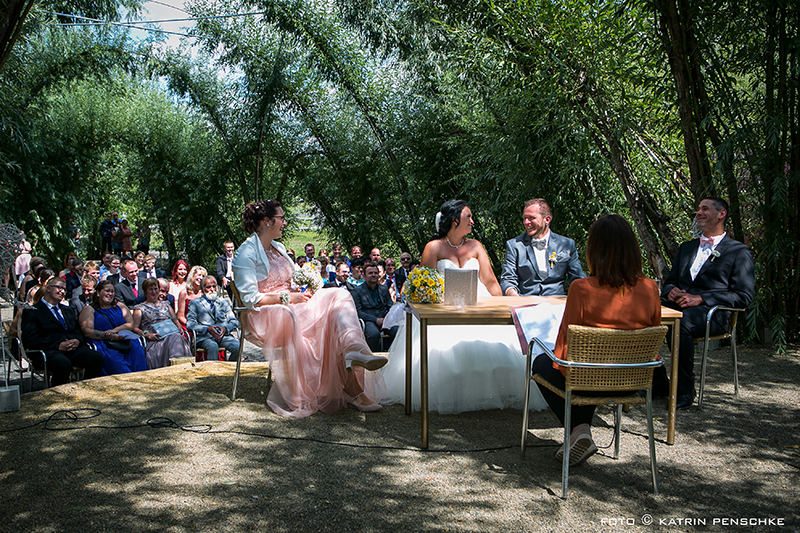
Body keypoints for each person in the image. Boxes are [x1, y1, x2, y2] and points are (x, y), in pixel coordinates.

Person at [380, 200, 549, 414]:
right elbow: (425, 284)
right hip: (444, 309)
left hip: (479, 305)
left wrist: (503, 306)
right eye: (468, 216)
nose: (472, 221)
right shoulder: (434, 247)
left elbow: (489, 281)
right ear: (455, 220)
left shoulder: (476, 246)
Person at [232, 200, 387, 418]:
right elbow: (250, 299)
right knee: (326, 321)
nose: (284, 223)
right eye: (281, 218)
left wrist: (306, 286)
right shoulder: (245, 253)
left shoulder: (278, 248)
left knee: (339, 294)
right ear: (267, 221)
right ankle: (353, 389)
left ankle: (354, 349)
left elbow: (293, 280)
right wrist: (288, 297)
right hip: (268, 313)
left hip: (293, 305)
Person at [533, 214, 661, 466]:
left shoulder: (581, 288)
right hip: (633, 381)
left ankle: (579, 430)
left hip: (587, 381)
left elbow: (565, 350)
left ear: (594, 250)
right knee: (583, 369)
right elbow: (653, 337)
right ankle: (579, 430)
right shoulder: (650, 288)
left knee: (541, 362)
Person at [661, 196, 755, 409]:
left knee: (679, 324)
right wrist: (671, 291)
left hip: (713, 314)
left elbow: (743, 296)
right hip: (678, 307)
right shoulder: (686, 248)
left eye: (705, 208)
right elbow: (670, 282)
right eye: (698, 209)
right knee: (642, 314)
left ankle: (684, 389)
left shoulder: (739, 252)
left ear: (721, 214)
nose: (699, 212)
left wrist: (702, 298)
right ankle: (658, 381)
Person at [21, 277, 104, 386]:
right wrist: (58, 345)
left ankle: (86, 389)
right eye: (59, 288)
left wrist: (77, 341)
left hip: (72, 350)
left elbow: (77, 331)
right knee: (63, 364)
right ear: (48, 289)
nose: (62, 291)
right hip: (49, 351)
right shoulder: (33, 311)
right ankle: (58, 393)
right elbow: (30, 340)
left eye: (64, 289)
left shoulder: (67, 310)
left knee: (96, 358)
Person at [501, 198, 585, 296]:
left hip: (557, 302)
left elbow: (578, 278)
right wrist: (512, 294)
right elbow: (507, 279)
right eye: (524, 218)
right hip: (526, 302)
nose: (526, 222)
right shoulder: (514, 245)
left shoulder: (566, 244)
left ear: (547, 219)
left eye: (531, 218)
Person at [79, 280, 148, 375]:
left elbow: (130, 324)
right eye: (107, 291)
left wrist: (114, 331)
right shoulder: (89, 309)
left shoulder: (120, 306)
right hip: (103, 342)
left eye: (112, 291)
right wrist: (108, 335)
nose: (110, 294)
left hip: (124, 339)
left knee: (137, 351)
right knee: (116, 361)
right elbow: (87, 331)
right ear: (98, 292)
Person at [133, 278, 192, 368]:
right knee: (176, 338)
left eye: (156, 289)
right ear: (145, 292)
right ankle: (178, 368)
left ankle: (177, 367)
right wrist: (148, 335)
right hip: (156, 340)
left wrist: (179, 327)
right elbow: (135, 328)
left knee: (176, 336)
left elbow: (175, 320)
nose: (154, 292)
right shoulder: (140, 308)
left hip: (171, 335)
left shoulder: (166, 305)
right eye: (150, 289)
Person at [187, 276, 240, 360]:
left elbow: (234, 321)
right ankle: (212, 369)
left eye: (214, 286)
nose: (212, 289)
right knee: (213, 346)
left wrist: (225, 329)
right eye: (208, 287)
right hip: (205, 337)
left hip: (223, 336)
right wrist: (207, 329)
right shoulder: (195, 303)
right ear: (202, 288)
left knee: (237, 346)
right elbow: (190, 324)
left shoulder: (224, 302)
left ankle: (231, 367)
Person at [352, 263, 398, 352]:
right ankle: (371, 357)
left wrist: (388, 318)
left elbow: (390, 306)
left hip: (384, 319)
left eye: (375, 273)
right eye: (370, 273)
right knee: (373, 334)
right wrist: (375, 319)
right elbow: (358, 312)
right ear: (364, 276)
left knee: (397, 331)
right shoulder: (357, 291)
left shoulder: (383, 289)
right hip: (368, 320)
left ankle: (392, 355)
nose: (373, 275)